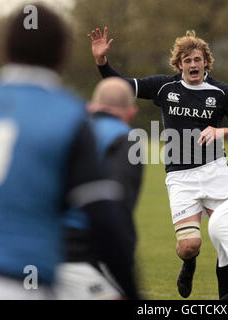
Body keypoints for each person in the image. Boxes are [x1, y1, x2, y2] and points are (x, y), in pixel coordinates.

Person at [87, 27, 228, 298]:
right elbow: (120, 85)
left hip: (215, 171)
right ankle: (188, 264)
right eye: (187, 60)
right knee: (190, 244)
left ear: (206, 62)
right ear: (179, 64)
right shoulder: (165, 87)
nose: (193, 64)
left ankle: (224, 298)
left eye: (198, 59)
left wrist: (222, 131)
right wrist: (101, 62)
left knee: (227, 240)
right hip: (180, 177)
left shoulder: (221, 92)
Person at [0, 5, 135, 299]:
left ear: (5, 48)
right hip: (22, 280)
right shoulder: (70, 114)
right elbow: (103, 216)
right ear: (62, 52)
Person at [54, 77, 143, 299]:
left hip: (43, 253)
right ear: (131, 113)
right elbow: (118, 207)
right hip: (86, 257)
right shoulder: (126, 140)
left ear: (90, 107)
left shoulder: (65, 131)